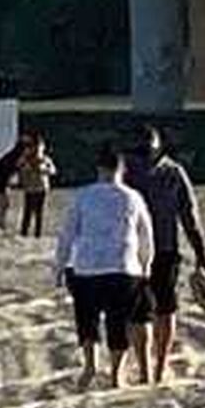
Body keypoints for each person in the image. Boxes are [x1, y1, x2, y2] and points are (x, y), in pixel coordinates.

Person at [54, 146, 155, 392]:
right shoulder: (132, 197)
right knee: (117, 322)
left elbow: (68, 233)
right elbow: (145, 235)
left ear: (98, 169)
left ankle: (90, 366)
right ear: (122, 170)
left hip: (87, 267)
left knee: (87, 321)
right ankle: (116, 374)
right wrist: (146, 265)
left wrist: (60, 265)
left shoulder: (83, 196)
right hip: (123, 267)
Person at [124, 125, 205, 384]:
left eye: (146, 151)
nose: (143, 158)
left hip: (161, 250)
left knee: (162, 308)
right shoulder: (129, 171)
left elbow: (190, 218)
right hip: (137, 252)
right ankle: (145, 368)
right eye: (140, 152)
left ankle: (158, 366)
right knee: (142, 312)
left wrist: (202, 258)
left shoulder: (172, 173)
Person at [0, 135, 29, 235]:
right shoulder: (14, 158)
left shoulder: (12, 156)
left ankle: (1, 225)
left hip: (0, 184)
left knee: (5, 204)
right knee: (1, 205)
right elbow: (10, 173)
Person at [16, 131, 57, 238]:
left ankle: (38, 234)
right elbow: (19, 168)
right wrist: (26, 168)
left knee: (39, 212)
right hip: (29, 188)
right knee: (27, 212)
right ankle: (24, 233)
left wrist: (43, 169)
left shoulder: (45, 159)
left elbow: (53, 171)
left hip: (41, 188)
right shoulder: (25, 159)